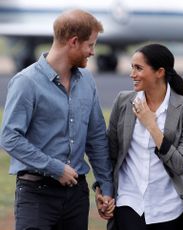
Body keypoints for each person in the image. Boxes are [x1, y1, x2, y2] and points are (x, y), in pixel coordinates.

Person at [0, 9, 114, 230]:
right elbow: (9, 137)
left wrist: (106, 186)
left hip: (77, 196)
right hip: (37, 196)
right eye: (90, 45)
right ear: (73, 42)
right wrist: (55, 168)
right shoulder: (26, 82)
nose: (92, 52)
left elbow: (96, 137)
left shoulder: (88, 81)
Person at [96, 43, 183, 230]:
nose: (132, 74)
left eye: (138, 68)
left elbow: (180, 164)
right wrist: (102, 191)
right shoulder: (123, 102)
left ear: (160, 72)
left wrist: (151, 125)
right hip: (129, 204)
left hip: (169, 209)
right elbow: (110, 154)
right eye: (132, 67)